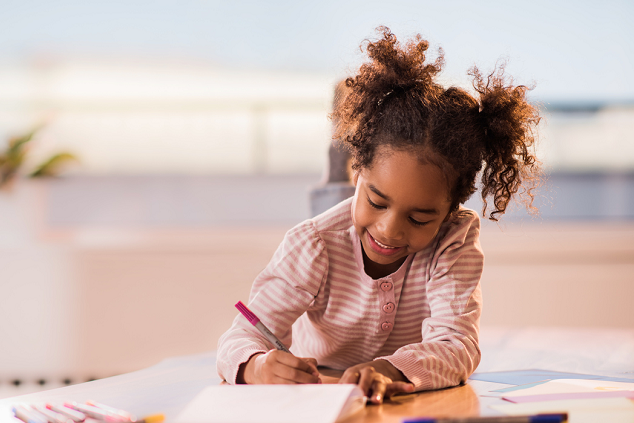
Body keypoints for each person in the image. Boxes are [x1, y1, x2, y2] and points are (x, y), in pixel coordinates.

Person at [217, 26, 541, 404]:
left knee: (362, 216)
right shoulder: (312, 244)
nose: (390, 230)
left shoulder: (454, 239)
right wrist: (256, 364)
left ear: (451, 209)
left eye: (420, 218)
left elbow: (458, 344)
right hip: (326, 356)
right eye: (377, 200)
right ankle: (343, 160)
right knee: (336, 213)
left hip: (383, 379)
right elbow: (238, 339)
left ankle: (358, 181)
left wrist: (392, 368)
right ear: (362, 172)